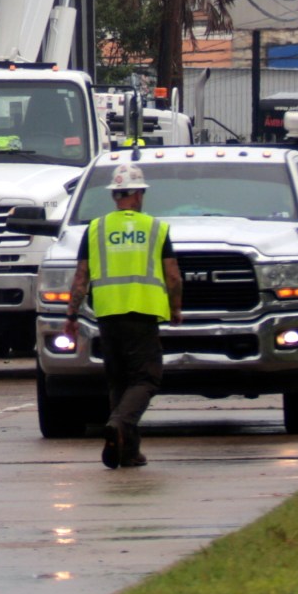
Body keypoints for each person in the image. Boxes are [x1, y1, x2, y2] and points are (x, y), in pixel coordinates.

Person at [61, 161, 184, 469]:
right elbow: (173, 276)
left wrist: (72, 316)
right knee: (147, 378)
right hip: (142, 314)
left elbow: (80, 277)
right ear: (139, 194)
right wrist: (175, 308)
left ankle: (126, 451)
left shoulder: (96, 228)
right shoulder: (155, 227)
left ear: (115, 195)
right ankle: (118, 424)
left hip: (108, 314)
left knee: (119, 381)